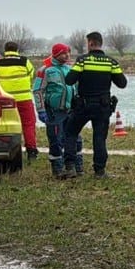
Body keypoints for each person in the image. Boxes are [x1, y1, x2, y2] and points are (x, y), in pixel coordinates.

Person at [62, 31, 128, 179]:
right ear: (101, 43)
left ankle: (70, 167)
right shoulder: (111, 62)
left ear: (91, 43)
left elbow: (69, 80)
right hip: (103, 106)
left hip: (83, 106)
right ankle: (100, 171)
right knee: (99, 138)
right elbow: (122, 84)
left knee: (71, 133)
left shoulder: (82, 61)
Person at [35, 43, 83, 178]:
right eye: (63, 53)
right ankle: (57, 168)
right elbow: (37, 90)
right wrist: (41, 110)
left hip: (70, 110)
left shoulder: (70, 69)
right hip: (54, 111)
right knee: (56, 139)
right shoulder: (45, 70)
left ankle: (76, 165)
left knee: (75, 138)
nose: (67, 55)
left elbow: (76, 88)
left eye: (68, 52)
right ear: (56, 54)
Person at [0, 41, 39, 162]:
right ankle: (31, 151)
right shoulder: (25, 61)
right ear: (17, 50)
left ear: (5, 50)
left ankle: (7, 149)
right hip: (24, 98)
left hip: (6, 101)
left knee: (7, 125)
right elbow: (32, 75)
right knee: (28, 124)